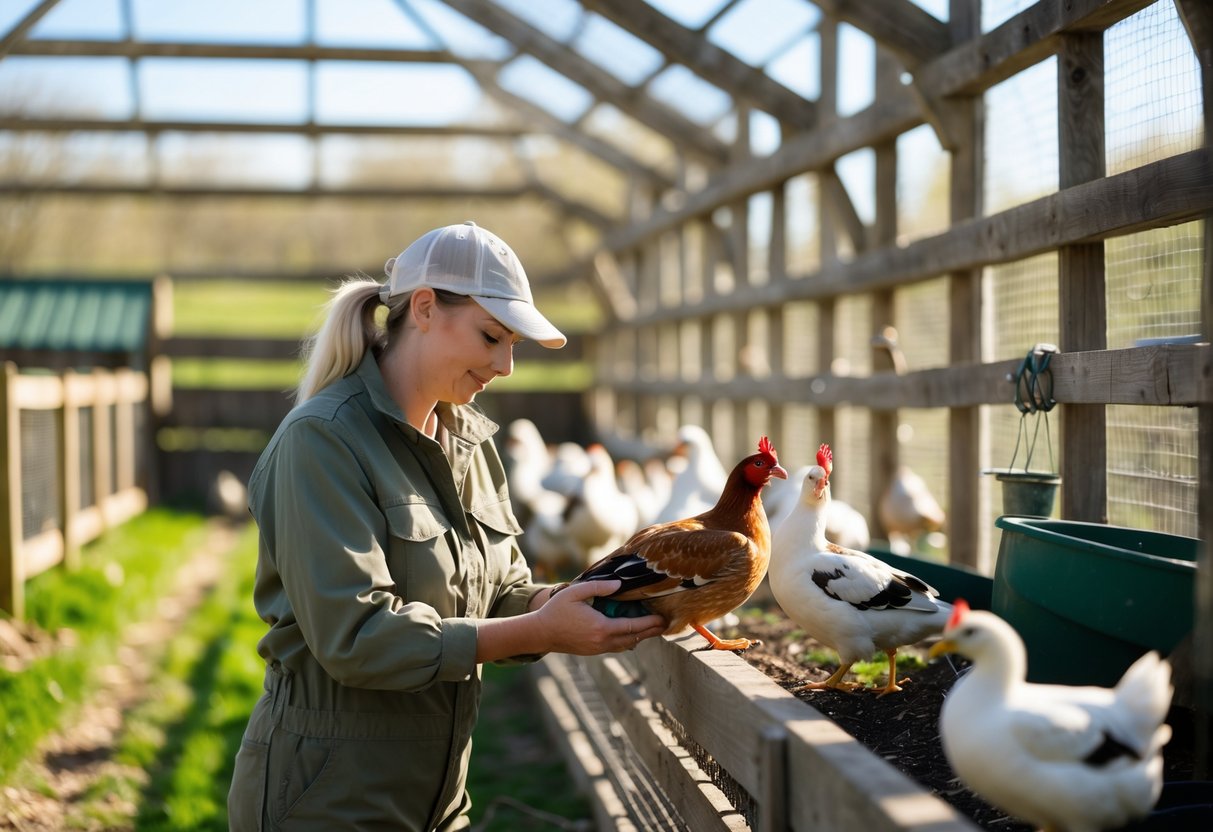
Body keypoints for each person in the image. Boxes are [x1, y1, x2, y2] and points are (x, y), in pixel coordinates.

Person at [227, 220, 666, 831]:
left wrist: (572, 602)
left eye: (512, 344)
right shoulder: (322, 442)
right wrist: (538, 629)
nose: (507, 366)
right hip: (329, 795)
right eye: (492, 337)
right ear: (427, 308)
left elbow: (501, 588)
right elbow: (358, 637)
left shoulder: (470, 442)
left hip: (440, 799)